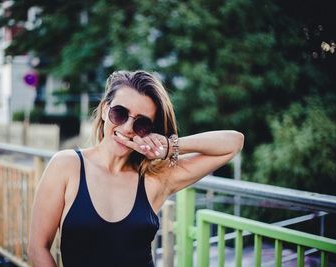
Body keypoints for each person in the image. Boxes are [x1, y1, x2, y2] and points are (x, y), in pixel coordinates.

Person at [27, 70, 244, 267]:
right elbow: (38, 248)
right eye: (119, 113)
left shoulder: (155, 178)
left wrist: (169, 146)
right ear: (104, 110)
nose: (128, 128)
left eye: (142, 123)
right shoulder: (66, 166)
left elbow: (234, 143)